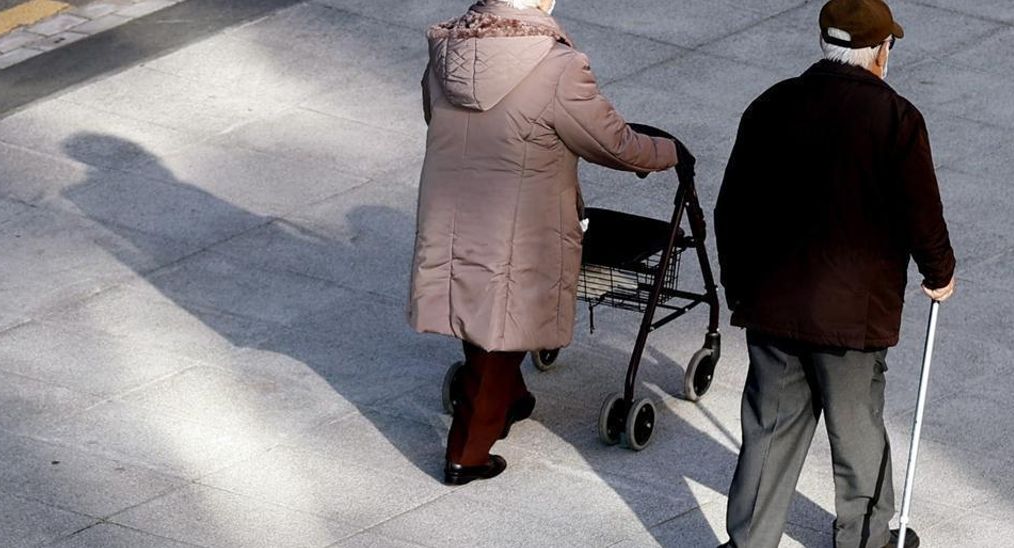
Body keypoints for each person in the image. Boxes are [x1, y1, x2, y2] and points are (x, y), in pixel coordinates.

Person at [713, 0, 956, 546]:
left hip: (773, 308)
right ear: (879, 54)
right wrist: (940, 271)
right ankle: (865, 539)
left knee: (768, 430)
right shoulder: (896, 120)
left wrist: (741, 290)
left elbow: (732, 209)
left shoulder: (771, 106)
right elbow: (923, 213)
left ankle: (749, 540)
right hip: (851, 320)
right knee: (857, 436)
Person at [409, 0, 679, 486]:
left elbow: (436, 117)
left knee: (479, 305)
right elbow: (612, 141)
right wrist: (668, 152)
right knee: (505, 323)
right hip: (522, 222)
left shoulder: (447, 50)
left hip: (453, 208)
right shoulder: (557, 66)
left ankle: (512, 398)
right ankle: (466, 453)